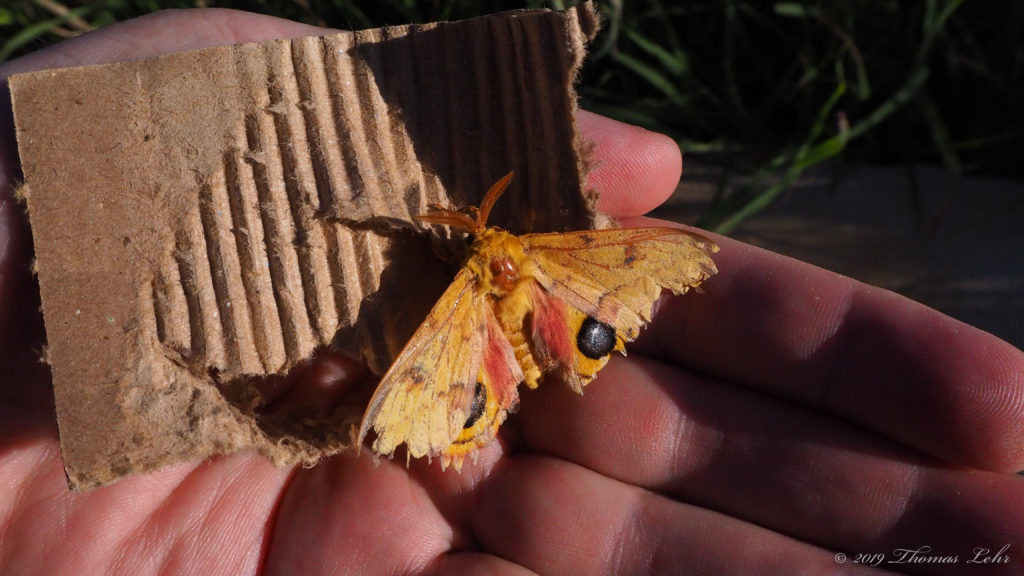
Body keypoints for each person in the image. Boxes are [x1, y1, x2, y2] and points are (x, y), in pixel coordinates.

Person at [1, 10, 1021, 575]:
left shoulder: (465, 260)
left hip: (491, 297)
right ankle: (534, 356)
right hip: (525, 292)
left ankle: (522, 358)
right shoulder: (493, 251)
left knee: (525, 318)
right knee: (459, 371)